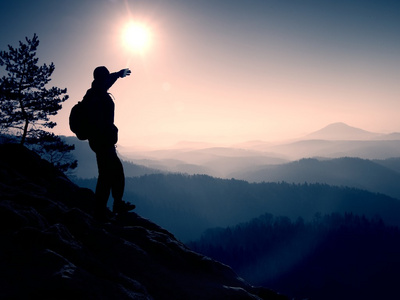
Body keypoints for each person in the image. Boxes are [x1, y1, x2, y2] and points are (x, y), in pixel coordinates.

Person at [85, 66, 135, 221]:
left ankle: (108, 207)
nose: (108, 79)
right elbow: (97, 121)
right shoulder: (96, 96)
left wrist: (118, 75)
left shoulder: (97, 90)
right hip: (102, 142)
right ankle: (103, 210)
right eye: (106, 76)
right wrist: (107, 134)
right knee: (111, 174)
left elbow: (108, 82)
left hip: (101, 141)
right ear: (101, 77)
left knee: (109, 174)